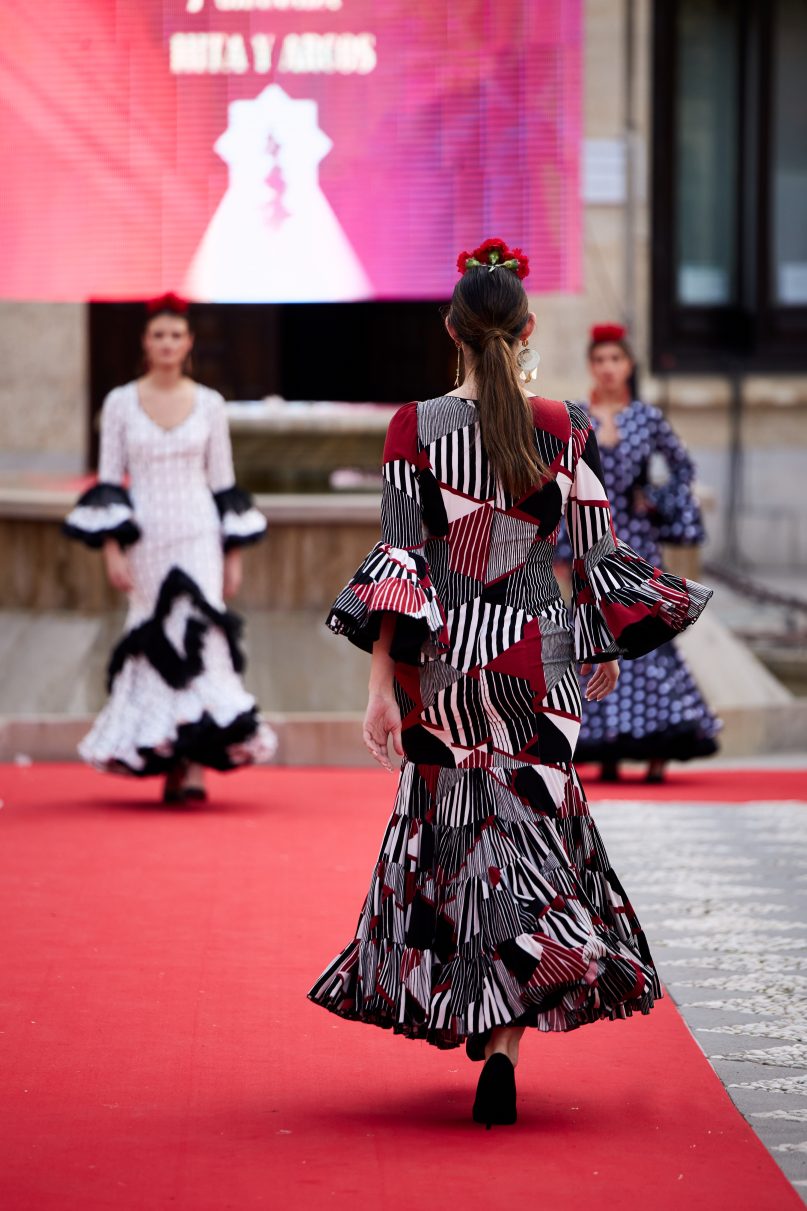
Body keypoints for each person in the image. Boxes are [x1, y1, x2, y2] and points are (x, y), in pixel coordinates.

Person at [307, 240, 713, 1127]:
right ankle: (504, 1041)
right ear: (527, 331)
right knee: (533, 837)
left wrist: (382, 681)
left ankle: (475, 1003)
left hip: (450, 657)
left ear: (449, 330)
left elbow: (400, 564)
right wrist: (598, 642)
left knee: (453, 840)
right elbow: (601, 554)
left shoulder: (413, 428)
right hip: (540, 654)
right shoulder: (566, 426)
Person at [64, 293, 276, 802]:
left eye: (175, 335)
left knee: (201, 637)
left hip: (199, 533)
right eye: (158, 335)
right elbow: (110, 479)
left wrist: (234, 557)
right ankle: (165, 752)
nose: (166, 344)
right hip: (146, 539)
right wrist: (113, 550)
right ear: (145, 342)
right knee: (152, 634)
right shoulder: (119, 402)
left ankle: (197, 761)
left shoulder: (209, 403)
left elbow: (223, 482)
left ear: (189, 343)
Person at [555, 323, 720, 783]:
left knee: (645, 640)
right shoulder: (577, 417)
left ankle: (660, 745)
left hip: (637, 544)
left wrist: (657, 498)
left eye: (616, 359)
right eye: (600, 360)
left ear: (628, 365)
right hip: (593, 543)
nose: (608, 368)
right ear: (591, 366)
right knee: (595, 635)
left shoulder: (647, 418)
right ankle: (605, 745)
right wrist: (564, 550)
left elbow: (684, 467)